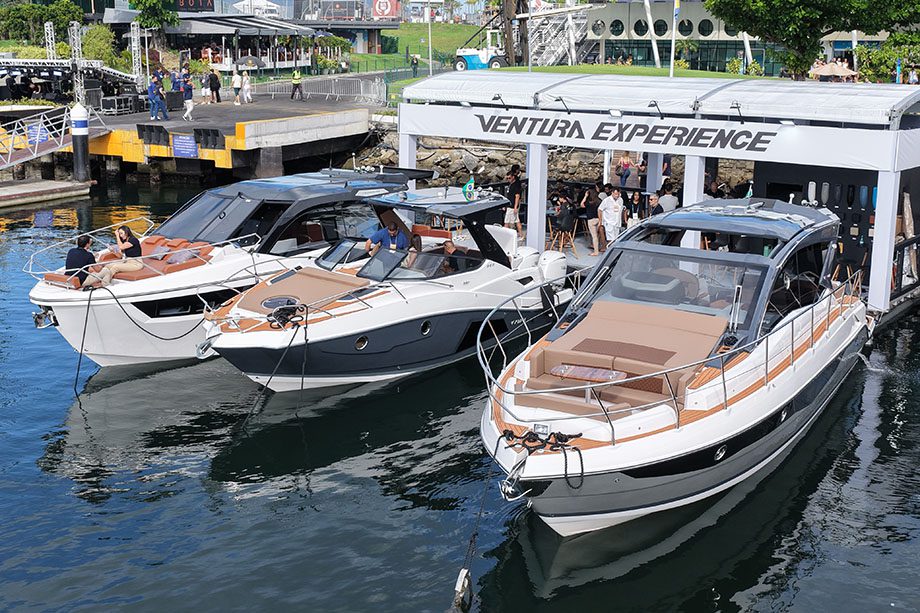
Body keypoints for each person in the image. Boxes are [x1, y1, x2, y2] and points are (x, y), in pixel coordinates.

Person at [582, 179, 603, 256]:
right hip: (598, 218)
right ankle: (598, 247)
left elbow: (581, 205)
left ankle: (596, 251)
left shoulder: (588, 202)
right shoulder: (599, 201)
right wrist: (600, 220)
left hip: (591, 219)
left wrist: (585, 196)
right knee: (598, 235)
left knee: (594, 236)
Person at [504, 168, 524, 240]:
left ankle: (505, 237)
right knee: (517, 221)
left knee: (507, 222)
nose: (508, 180)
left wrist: (515, 207)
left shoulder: (515, 185)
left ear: (513, 177)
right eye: (507, 178)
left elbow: (517, 196)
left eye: (509, 178)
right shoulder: (511, 185)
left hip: (512, 207)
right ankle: (521, 235)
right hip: (510, 205)